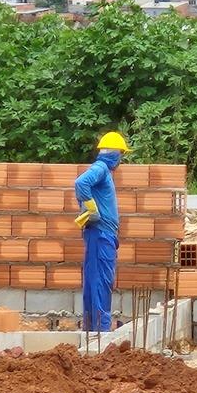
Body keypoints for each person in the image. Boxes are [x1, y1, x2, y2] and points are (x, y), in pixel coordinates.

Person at [74, 131, 131, 332]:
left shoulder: (103, 171)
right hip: (100, 235)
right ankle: (101, 331)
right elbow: (81, 183)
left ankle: (92, 330)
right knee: (101, 282)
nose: (121, 160)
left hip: (99, 235)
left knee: (94, 281)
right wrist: (91, 208)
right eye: (121, 155)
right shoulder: (100, 169)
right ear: (115, 154)